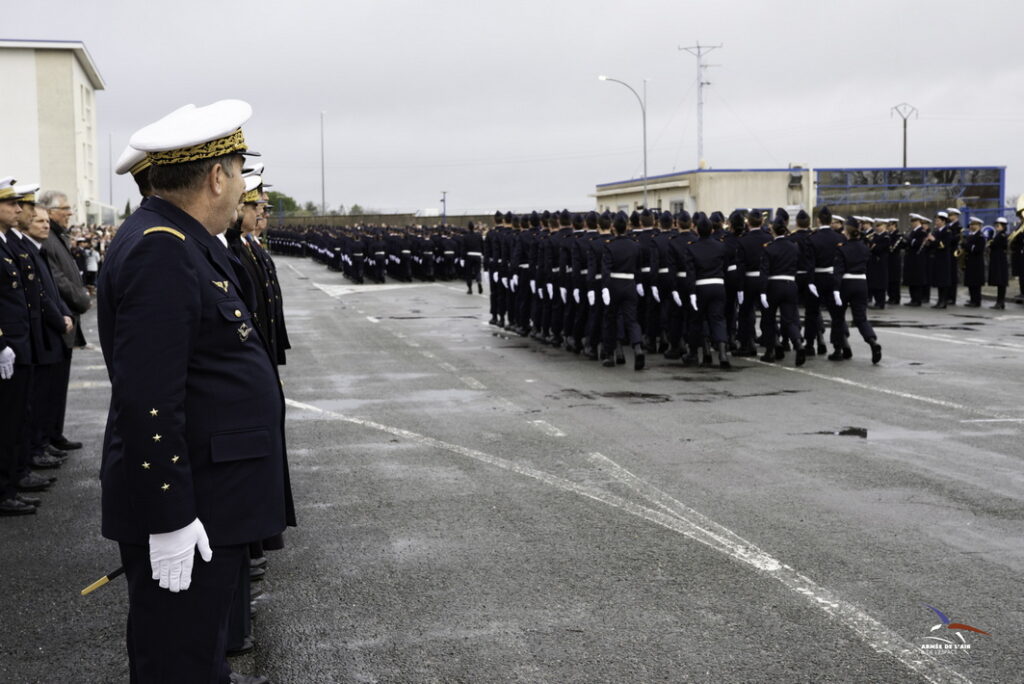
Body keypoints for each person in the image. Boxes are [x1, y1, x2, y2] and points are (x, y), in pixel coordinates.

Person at [98, 100, 292, 684]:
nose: (241, 189)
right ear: (216, 176)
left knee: (200, 658)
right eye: (238, 173)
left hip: (212, 499)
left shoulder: (181, 238)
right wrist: (171, 518)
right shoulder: (163, 247)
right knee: (178, 664)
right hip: (194, 506)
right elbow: (150, 399)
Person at [37, 189, 89, 452]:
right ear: (49, 211)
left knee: (58, 388)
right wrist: (81, 299)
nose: (70, 213)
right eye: (65, 209)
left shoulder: (57, 236)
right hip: (56, 323)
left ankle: (54, 434)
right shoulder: (47, 239)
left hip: (66, 321)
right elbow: (56, 280)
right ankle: (46, 438)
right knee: (48, 389)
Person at [833, 216, 882, 364]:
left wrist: (835, 289)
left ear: (846, 232)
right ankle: (872, 341)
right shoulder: (864, 247)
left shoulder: (842, 247)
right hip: (861, 283)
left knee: (838, 317)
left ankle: (839, 348)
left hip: (846, 283)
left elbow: (838, 270)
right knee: (861, 318)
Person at [961, 216, 986, 307]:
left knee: (976, 283)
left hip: (976, 263)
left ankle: (976, 301)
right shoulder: (970, 235)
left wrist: (966, 246)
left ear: (979, 226)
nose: (971, 226)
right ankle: (972, 299)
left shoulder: (980, 236)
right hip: (969, 262)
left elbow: (977, 249)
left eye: (974, 224)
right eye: (971, 224)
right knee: (970, 282)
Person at [988, 217, 1009, 309]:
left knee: (1001, 282)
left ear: (1003, 226)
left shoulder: (1002, 235)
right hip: (997, 260)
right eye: (996, 224)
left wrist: (991, 240)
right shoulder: (998, 235)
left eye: (998, 225)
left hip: (1000, 260)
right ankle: (1000, 302)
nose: (996, 226)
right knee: (999, 282)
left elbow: (994, 245)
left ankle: (1000, 302)